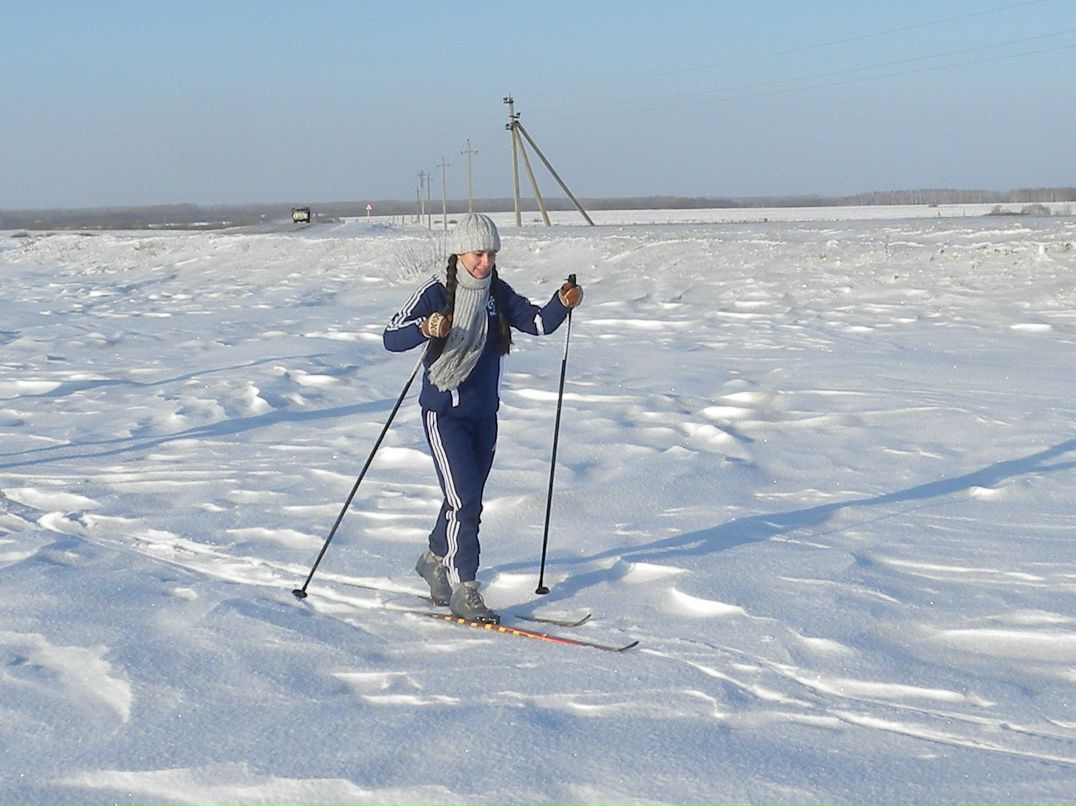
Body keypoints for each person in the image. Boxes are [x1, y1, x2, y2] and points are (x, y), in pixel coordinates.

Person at [383, 213, 583, 623]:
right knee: (466, 500)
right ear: (460, 252)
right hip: (444, 413)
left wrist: (562, 303)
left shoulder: (497, 293)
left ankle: (434, 559)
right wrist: (427, 327)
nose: (485, 262)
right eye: (478, 253)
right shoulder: (436, 293)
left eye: (491, 254)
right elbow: (391, 336)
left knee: (463, 496)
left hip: (484, 415)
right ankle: (466, 586)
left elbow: (539, 323)